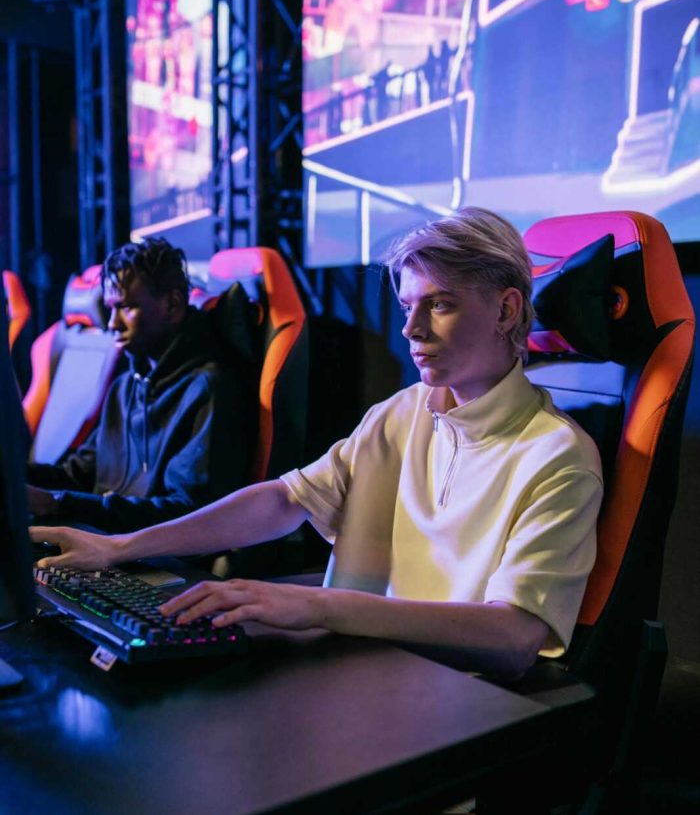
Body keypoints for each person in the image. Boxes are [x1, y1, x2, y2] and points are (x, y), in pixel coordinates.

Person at [31, 209, 603, 678]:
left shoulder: (558, 457)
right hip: (359, 670)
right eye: (408, 307)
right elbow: (284, 500)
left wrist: (318, 605)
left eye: (440, 304)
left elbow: (513, 634)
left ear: (506, 309)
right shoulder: (403, 412)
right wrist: (121, 549)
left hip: (457, 704)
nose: (412, 330)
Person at [27, 237, 258, 533]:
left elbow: (187, 514)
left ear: (172, 304)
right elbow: (77, 476)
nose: (112, 323)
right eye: (110, 308)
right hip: (106, 548)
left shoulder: (209, 389)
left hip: (162, 562)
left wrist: (58, 504)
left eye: (126, 307)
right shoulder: (124, 389)